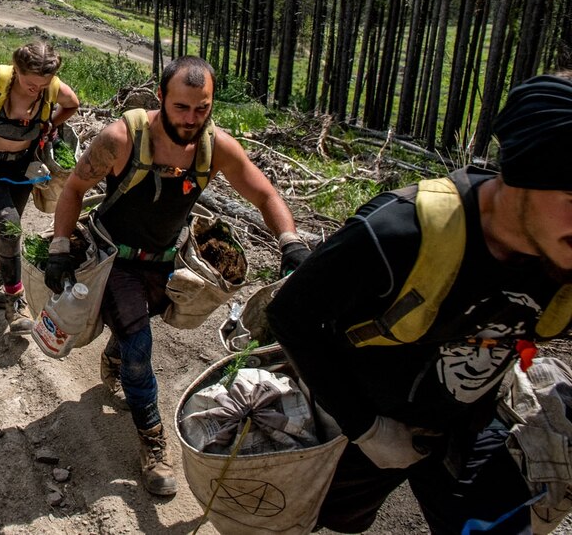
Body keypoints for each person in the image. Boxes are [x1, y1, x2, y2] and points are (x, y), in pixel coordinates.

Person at [264, 74, 572, 534]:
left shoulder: (562, 258)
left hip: (466, 432)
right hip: (362, 430)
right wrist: (366, 428)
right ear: (525, 174)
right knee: (316, 518)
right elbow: (290, 315)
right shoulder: (400, 234)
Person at [45, 56, 306, 496]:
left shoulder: (214, 146)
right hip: (116, 258)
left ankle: (118, 353)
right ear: (162, 97)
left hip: (168, 260)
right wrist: (58, 247)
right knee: (141, 348)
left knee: (138, 328)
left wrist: (290, 240)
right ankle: (153, 442)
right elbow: (73, 188)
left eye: (202, 108)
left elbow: (263, 193)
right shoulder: (121, 138)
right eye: (182, 107)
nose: (191, 119)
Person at [0, 42, 81, 334]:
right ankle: (15, 301)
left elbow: (72, 103)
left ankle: (2, 276)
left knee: (12, 226)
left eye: (43, 84)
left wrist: (50, 124)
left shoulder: (52, 88)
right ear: (16, 71)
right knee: (11, 226)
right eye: (30, 83)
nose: (37, 90)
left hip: (23, 167)